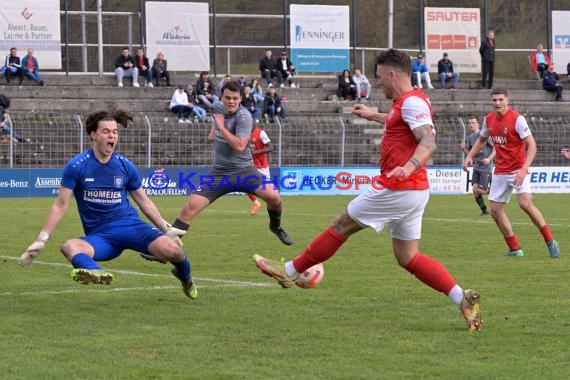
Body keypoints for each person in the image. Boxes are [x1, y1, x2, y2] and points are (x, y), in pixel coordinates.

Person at [253, 49, 482, 332]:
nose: (377, 83)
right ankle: (462, 298)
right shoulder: (407, 102)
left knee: (340, 225)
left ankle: (288, 271)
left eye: (379, 77)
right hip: (415, 191)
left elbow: (428, 140)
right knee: (408, 257)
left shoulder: (411, 103)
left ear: (392, 74)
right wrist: (372, 114)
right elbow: (399, 123)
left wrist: (407, 167)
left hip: (399, 186)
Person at [18, 109, 197, 299]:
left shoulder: (125, 165)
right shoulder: (77, 166)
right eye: (106, 131)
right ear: (93, 135)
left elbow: (144, 201)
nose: (112, 135)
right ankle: (95, 272)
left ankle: (185, 276)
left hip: (131, 226)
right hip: (101, 236)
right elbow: (60, 205)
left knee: (174, 251)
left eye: (115, 131)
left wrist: (164, 227)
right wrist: (42, 239)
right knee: (69, 247)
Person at [168, 80, 293, 247]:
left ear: (241, 98)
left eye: (235, 98)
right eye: (228, 98)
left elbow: (240, 146)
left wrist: (221, 127)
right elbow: (212, 135)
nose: (231, 102)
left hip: (244, 172)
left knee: (275, 197)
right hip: (220, 173)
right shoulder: (218, 107)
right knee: (189, 208)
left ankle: (275, 227)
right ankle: (164, 248)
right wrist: (215, 129)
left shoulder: (244, 116)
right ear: (222, 97)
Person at [463, 88, 559, 259]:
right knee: (495, 211)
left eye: (500, 99)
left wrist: (523, 169)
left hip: (518, 168)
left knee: (525, 204)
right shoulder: (489, 119)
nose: (497, 103)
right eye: (494, 100)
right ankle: (515, 248)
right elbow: (482, 139)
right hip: (501, 170)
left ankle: (550, 241)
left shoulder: (517, 119)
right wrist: (469, 155)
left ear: (507, 100)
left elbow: (532, 145)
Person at [460, 116, 495, 216]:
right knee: (475, 189)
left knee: (480, 190)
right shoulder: (471, 138)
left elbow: (496, 148)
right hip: (477, 167)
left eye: (473, 123)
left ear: (478, 124)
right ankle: (484, 211)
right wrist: (463, 149)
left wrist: (489, 159)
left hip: (485, 168)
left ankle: (492, 192)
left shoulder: (484, 135)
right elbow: (471, 153)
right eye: (469, 123)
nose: (470, 124)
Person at [247, 122, 274, 215]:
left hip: (262, 167)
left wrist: (257, 152)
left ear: (253, 123)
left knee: (268, 191)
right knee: (245, 186)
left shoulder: (261, 133)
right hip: (251, 165)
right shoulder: (244, 133)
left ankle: (273, 208)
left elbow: (271, 147)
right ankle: (256, 203)